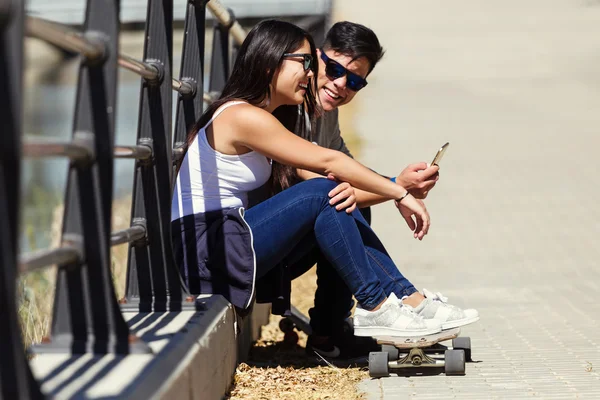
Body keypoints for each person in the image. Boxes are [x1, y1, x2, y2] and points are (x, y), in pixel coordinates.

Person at [171, 19, 451, 341]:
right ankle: (379, 307)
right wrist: (399, 192)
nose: (310, 73)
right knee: (326, 193)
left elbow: (322, 173)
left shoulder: (270, 117)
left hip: (232, 243)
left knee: (338, 196)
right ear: (269, 61)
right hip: (209, 252)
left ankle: (378, 311)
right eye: (304, 63)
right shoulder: (241, 116)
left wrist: (392, 187)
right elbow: (328, 163)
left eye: (309, 63)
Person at [260, 21, 479, 360]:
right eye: (333, 69)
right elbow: (314, 186)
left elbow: (350, 177)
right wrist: (396, 189)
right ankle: (395, 303)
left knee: (353, 202)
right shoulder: (285, 109)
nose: (340, 85)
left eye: (355, 81)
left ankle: (332, 333)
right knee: (341, 204)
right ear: (314, 57)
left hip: (281, 241)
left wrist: (398, 185)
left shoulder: (324, 114)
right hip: (256, 250)